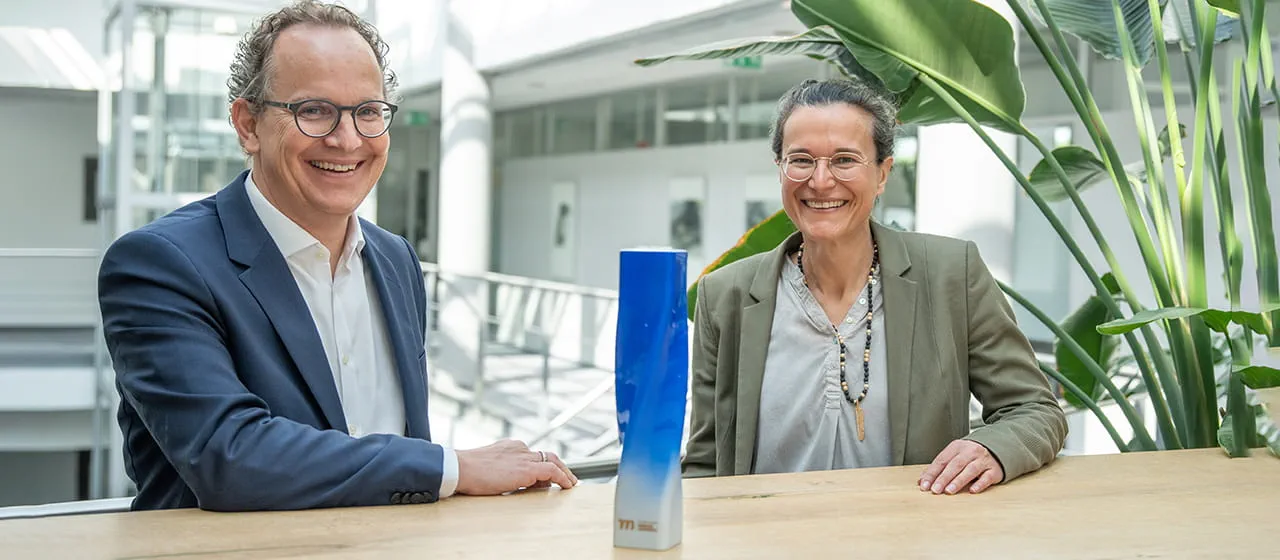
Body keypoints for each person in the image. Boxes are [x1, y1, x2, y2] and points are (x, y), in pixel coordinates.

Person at [97, 0, 576, 512]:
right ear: (248, 125)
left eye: (368, 111)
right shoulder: (159, 264)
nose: (348, 139)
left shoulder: (396, 261)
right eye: (314, 110)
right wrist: (451, 466)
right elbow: (230, 458)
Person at [683, 78, 1067, 495]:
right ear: (780, 169)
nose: (821, 180)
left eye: (845, 160)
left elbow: (1034, 409)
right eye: (801, 160)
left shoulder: (952, 274)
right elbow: (707, 461)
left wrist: (991, 449)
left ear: (883, 173)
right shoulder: (726, 295)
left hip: (909, 540)